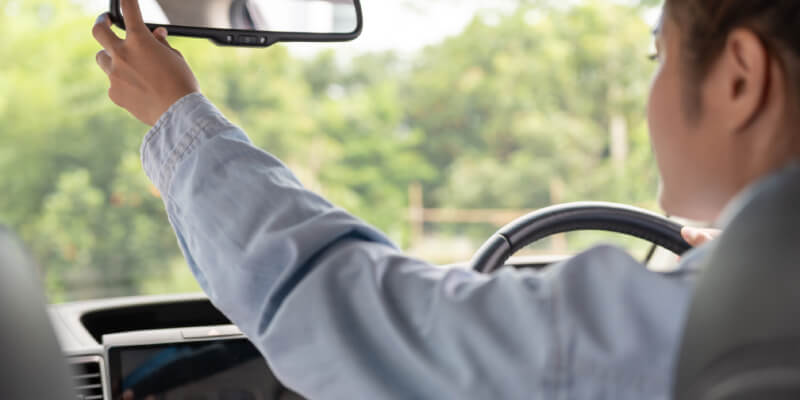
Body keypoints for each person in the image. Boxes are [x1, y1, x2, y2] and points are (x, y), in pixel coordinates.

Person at [91, 0, 798, 398]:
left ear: (738, 77)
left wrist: (177, 116)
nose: (650, 94)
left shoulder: (690, 322)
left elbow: (348, 311)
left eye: (658, 59)